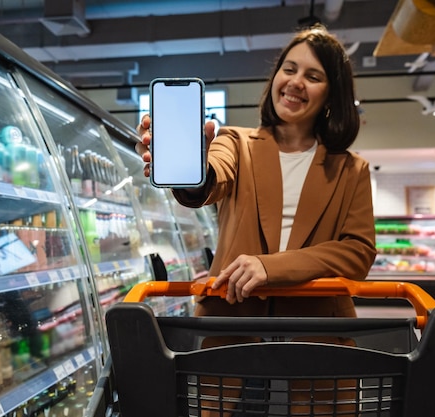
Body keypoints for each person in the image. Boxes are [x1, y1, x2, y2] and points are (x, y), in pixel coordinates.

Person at [136, 24, 376, 415]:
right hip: (229, 327)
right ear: (275, 77)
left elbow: (358, 252)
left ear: (332, 94)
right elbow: (211, 180)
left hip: (318, 334)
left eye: (313, 76)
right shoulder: (236, 142)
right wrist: (191, 170)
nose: (296, 82)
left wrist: (269, 268)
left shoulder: (351, 170)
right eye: (289, 69)